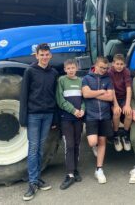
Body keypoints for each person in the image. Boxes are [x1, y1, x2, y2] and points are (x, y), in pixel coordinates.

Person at [19, 43, 58, 201]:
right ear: (36, 56)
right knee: (33, 148)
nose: (44, 57)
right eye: (41, 55)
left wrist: (55, 117)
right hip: (33, 115)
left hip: (48, 114)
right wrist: (23, 118)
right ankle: (33, 182)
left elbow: (55, 96)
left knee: (40, 148)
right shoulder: (30, 71)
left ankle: (37, 178)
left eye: (46, 54)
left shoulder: (54, 73)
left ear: (50, 55)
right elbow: (24, 95)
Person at [82, 56, 114, 184]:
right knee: (92, 142)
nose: (103, 70)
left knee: (102, 141)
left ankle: (99, 169)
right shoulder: (86, 78)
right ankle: (93, 146)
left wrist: (94, 93)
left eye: (106, 68)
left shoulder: (108, 79)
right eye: (101, 67)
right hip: (91, 116)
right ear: (95, 65)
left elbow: (110, 97)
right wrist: (101, 91)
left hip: (105, 116)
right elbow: (85, 94)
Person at [56, 59, 85, 190]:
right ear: (65, 69)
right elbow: (60, 100)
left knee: (77, 144)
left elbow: (84, 99)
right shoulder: (61, 81)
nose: (71, 70)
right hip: (66, 118)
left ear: (76, 68)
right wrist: (73, 111)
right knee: (70, 144)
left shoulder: (81, 81)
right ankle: (69, 174)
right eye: (69, 68)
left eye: (73, 67)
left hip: (78, 118)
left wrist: (83, 110)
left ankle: (75, 169)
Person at [107, 54, 133, 152]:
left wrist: (127, 105)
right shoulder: (110, 72)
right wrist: (116, 105)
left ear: (124, 65)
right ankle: (116, 135)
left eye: (121, 64)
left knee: (129, 114)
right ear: (113, 64)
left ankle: (126, 135)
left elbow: (128, 88)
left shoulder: (126, 72)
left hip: (123, 98)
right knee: (116, 113)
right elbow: (112, 89)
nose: (119, 66)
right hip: (114, 98)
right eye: (117, 64)